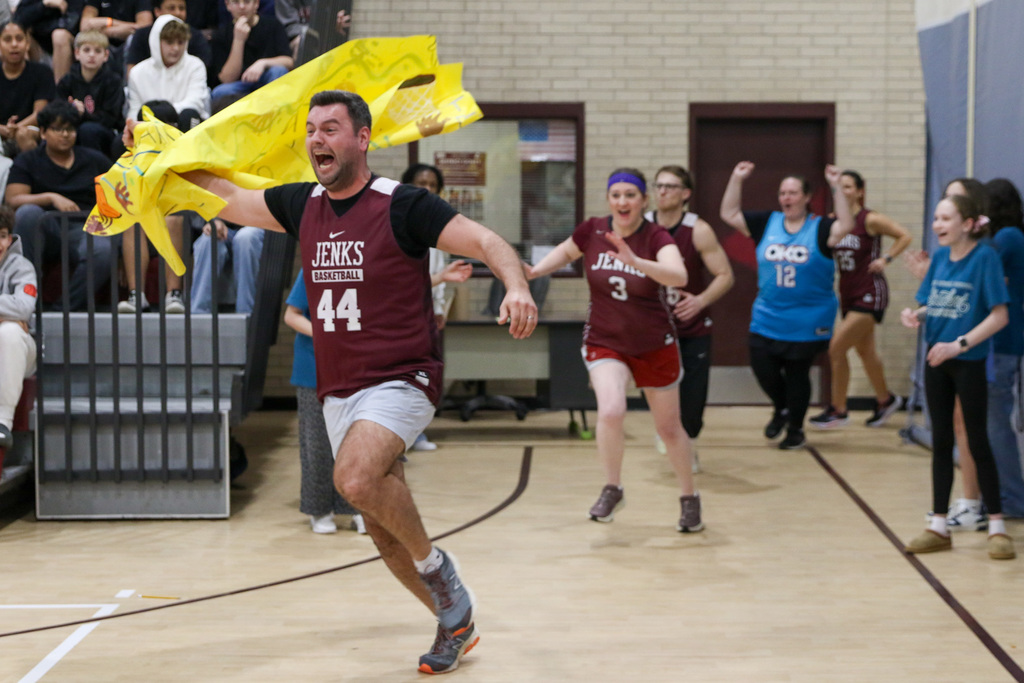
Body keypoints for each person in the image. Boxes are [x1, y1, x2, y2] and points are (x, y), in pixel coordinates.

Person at [176, 89, 537, 674]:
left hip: (402, 375)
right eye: (311, 129)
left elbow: (488, 242)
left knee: (353, 477)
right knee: (378, 523)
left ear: (362, 138)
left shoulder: (405, 204)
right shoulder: (302, 203)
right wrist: (161, 158)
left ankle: (441, 572)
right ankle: (455, 621)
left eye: (331, 129)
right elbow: (230, 199)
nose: (317, 139)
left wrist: (515, 285)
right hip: (337, 387)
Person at [526, 167, 702, 531]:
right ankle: (612, 486)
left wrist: (637, 262)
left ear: (644, 201)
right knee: (611, 410)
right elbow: (565, 252)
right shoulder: (593, 229)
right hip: (606, 340)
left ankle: (689, 497)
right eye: (616, 194)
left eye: (630, 195)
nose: (623, 201)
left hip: (654, 344)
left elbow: (679, 276)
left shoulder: (656, 236)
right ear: (609, 199)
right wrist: (533, 272)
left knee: (669, 429)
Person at [900, 193, 1015, 560]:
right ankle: (938, 524)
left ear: (967, 224)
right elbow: (935, 302)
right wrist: (917, 315)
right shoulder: (939, 261)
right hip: (937, 360)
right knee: (941, 440)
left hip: (967, 360)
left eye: (945, 219)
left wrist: (960, 344)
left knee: (978, 440)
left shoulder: (985, 259)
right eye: (935, 218)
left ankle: (996, 526)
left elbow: (999, 316)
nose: (937, 226)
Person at [719, 162, 854, 449]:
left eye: (793, 193)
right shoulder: (767, 223)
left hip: (808, 316)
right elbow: (728, 213)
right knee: (762, 365)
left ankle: (795, 428)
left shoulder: (821, 228)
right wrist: (736, 178)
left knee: (797, 374)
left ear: (806, 197)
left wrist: (836, 187)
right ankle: (782, 407)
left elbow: (848, 225)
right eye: (783, 193)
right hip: (768, 313)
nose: (787, 198)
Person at [646, 164, 734, 470]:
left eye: (669, 186)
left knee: (693, 397)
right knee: (660, 389)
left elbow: (725, 275)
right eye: (658, 185)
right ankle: (667, 432)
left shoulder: (698, 229)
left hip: (691, 325)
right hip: (652, 327)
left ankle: (689, 442)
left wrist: (700, 301)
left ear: (685, 194)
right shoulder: (640, 227)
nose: (662, 191)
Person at [809, 170, 912, 429]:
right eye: (838, 188)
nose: (842, 192)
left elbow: (904, 235)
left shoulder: (870, 219)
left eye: (847, 187)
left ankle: (838, 409)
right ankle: (885, 400)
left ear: (859, 191)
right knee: (866, 351)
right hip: (848, 292)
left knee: (837, 347)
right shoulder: (835, 222)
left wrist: (886, 258)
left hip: (871, 292)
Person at [6, 100, 114, 311]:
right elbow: (13, 199)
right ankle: (27, 302)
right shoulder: (28, 160)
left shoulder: (95, 160)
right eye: (58, 129)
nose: (65, 134)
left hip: (85, 228)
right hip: (44, 227)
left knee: (102, 248)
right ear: (43, 133)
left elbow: (115, 198)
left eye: (70, 129)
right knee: (27, 213)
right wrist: (51, 197)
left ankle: (63, 310)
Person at [284, 268, 364, 534]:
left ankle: (359, 508)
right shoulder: (311, 268)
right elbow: (291, 315)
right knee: (317, 444)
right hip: (314, 367)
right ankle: (319, 510)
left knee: (358, 444)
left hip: (358, 368)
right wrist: (325, 335)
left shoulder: (367, 267)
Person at [400, 162, 472, 451]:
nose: (427, 190)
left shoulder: (437, 229)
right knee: (402, 377)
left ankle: (417, 432)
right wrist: (441, 279)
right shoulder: (399, 226)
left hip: (426, 315)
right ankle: (403, 435)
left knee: (424, 376)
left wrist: (439, 308)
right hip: (402, 316)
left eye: (432, 185)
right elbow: (405, 283)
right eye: (421, 184)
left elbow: (438, 280)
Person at [117, 99, 190, 314]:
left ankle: (174, 295)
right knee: (134, 220)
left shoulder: (187, 154)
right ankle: (136, 295)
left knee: (173, 216)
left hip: (184, 222)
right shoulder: (131, 154)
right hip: (146, 224)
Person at [126, 15, 210, 131]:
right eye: (169, 42)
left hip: (186, 126)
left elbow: (194, 103)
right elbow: (134, 112)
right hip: (150, 129)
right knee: (119, 142)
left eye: (180, 42)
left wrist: (161, 112)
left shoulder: (195, 65)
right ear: (156, 42)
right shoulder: (137, 72)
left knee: (189, 115)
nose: (175, 48)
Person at [0, 204, 37, 450]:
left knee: (10, 332)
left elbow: (24, 308)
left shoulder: (22, 266)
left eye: (2, 236)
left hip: (22, 351)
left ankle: (2, 423)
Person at [56, 30, 125, 158]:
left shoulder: (113, 81)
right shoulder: (67, 80)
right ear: (77, 53)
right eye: (87, 50)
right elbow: (56, 108)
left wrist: (84, 114)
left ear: (106, 55)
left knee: (88, 130)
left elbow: (110, 119)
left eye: (98, 51)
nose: (92, 55)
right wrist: (71, 110)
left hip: (104, 132)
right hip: (72, 127)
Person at [209, 0, 292, 105]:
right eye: (236, 2)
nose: (242, 7)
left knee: (278, 71)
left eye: (247, 2)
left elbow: (289, 62)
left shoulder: (273, 25)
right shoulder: (221, 35)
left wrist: (262, 63)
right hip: (240, 85)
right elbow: (227, 79)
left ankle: (274, 114)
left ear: (256, 4)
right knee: (219, 92)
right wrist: (238, 40)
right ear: (228, 5)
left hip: (268, 79)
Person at [0, 19, 55, 156]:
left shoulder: (42, 72)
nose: (14, 44)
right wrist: (3, 130)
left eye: (19, 39)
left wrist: (15, 128)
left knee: (23, 134)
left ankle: (34, 175)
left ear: (27, 43)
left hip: (30, 129)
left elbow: (39, 114)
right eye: (7, 40)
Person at [188, 216, 263, 313]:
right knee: (208, 239)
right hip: (223, 224)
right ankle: (198, 315)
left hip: (257, 223)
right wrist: (214, 221)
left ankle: (246, 316)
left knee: (245, 237)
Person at [125, 0, 211, 76]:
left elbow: (201, 71)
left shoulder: (195, 36)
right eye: (171, 8)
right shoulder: (142, 35)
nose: (178, 13)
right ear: (157, 11)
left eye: (181, 8)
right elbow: (132, 73)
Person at [79, 0, 153, 79]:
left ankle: (128, 86)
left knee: (132, 40)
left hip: (129, 44)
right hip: (103, 43)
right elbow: (85, 26)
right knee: (84, 39)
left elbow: (145, 28)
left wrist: (108, 22)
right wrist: (121, 29)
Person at [12, 0, 82, 82]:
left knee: (59, 35)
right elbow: (17, 21)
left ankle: (60, 90)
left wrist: (38, 26)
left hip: (68, 47)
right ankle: (30, 87)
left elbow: (71, 24)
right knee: (21, 33)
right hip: (39, 47)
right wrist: (44, 4)